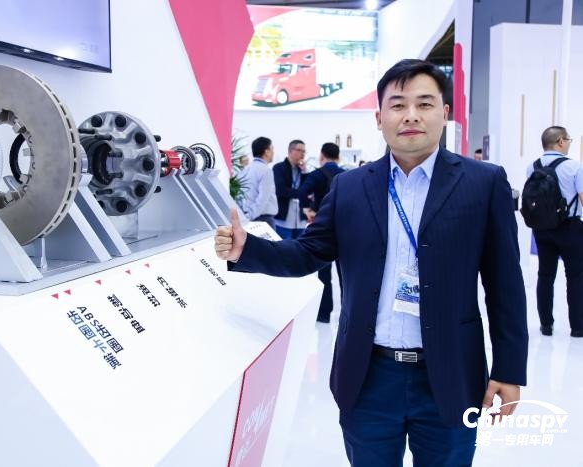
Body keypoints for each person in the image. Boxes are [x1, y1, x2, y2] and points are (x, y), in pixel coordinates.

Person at [215, 59, 528, 466]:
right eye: (397, 105)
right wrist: (247, 249)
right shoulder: (349, 187)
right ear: (379, 118)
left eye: (424, 103)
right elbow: (308, 252)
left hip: (450, 374)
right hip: (369, 376)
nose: (411, 115)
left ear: (445, 113)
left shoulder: (483, 183)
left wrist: (509, 369)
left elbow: (505, 285)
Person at [526, 126, 583, 337]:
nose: (568, 143)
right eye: (568, 140)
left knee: (545, 274)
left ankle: (546, 325)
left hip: (542, 228)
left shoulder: (532, 167)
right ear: (560, 141)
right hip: (570, 227)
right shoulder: (575, 167)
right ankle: (578, 327)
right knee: (575, 276)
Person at [297, 142, 345, 323]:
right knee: (345, 274)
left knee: (324, 274)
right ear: (338, 156)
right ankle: (347, 314)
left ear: (321, 156)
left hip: (323, 228)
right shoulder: (346, 175)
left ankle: (324, 314)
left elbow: (302, 191)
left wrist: (307, 210)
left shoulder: (316, 174)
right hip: (344, 227)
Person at [238, 136, 277, 229]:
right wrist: (250, 217)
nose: (273, 152)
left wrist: (246, 217)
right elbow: (262, 199)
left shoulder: (246, 169)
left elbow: (240, 196)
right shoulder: (266, 170)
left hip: (248, 217)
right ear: (266, 151)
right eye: (272, 149)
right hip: (263, 220)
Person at [273, 139, 308, 239]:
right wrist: (301, 193)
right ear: (290, 151)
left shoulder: (302, 170)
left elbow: (308, 190)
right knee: (284, 247)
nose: (302, 154)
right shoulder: (279, 168)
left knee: (300, 247)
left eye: (304, 151)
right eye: (299, 150)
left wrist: (305, 172)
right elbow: (281, 190)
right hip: (284, 219)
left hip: (300, 220)